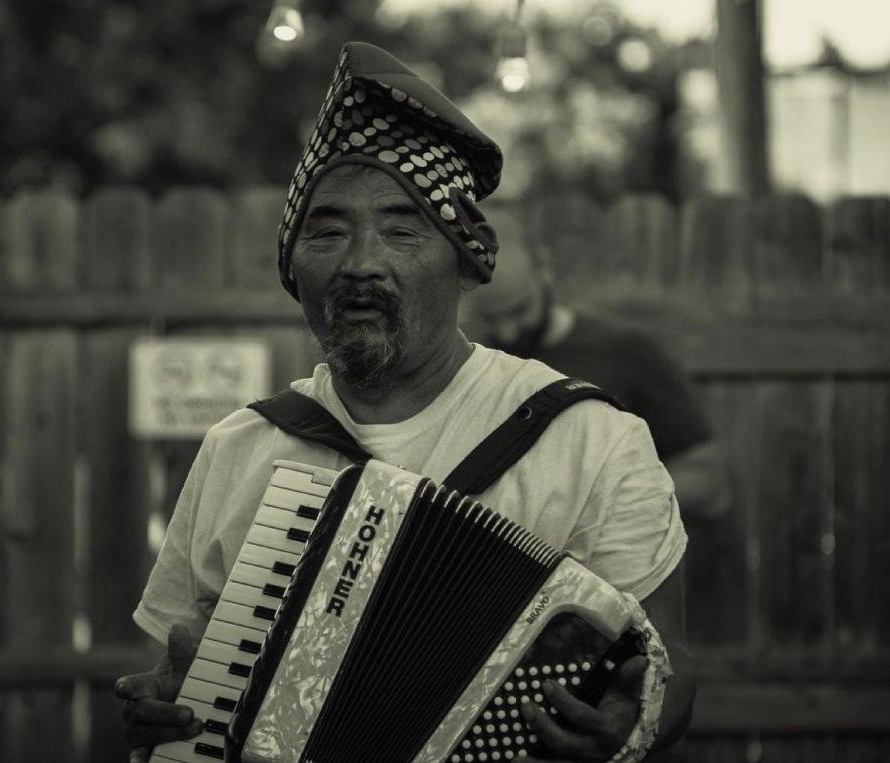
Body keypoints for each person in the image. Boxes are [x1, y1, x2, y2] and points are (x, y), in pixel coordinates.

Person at [116, 42, 695, 763]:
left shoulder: (590, 440)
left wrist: (628, 728)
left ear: (466, 260)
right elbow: (172, 676)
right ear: (293, 270)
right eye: (327, 230)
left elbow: (671, 679)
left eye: (402, 228)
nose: (362, 261)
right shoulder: (240, 447)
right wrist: (160, 723)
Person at [466, 205, 730, 521]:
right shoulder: (473, 363)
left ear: (544, 269)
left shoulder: (624, 351)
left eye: (520, 311)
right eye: (491, 319)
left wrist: (605, 509)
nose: (507, 332)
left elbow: (710, 481)